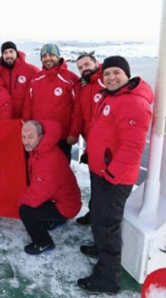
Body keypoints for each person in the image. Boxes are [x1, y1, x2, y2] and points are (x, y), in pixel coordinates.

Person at [77, 56, 153, 295]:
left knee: (107, 225)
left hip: (114, 177)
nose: (111, 78)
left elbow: (132, 148)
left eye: (116, 73)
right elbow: (102, 132)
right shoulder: (111, 96)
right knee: (99, 218)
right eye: (107, 73)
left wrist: (112, 174)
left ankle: (107, 280)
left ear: (127, 75)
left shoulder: (134, 104)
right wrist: (91, 154)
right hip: (101, 170)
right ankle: (100, 250)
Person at [19, 120, 82, 255]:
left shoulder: (47, 160)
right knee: (31, 201)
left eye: (30, 137)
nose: (26, 141)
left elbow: (39, 193)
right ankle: (56, 220)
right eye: (23, 137)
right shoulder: (42, 149)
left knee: (26, 210)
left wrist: (20, 202)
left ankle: (43, 243)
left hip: (67, 205)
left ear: (41, 137)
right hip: (62, 199)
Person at [23, 43, 79, 160]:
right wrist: (27, 127)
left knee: (61, 168)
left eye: (51, 55)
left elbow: (77, 108)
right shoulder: (36, 78)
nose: (47, 58)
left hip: (62, 136)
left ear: (58, 57)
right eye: (44, 56)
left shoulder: (70, 79)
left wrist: (74, 132)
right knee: (39, 166)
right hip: (39, 134)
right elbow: (28, 104)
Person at [68, 52, 105, 226]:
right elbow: (78, 113)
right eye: (80, 67)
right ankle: (94, 214)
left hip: (108, 144)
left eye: (86, 65)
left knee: (107, 188)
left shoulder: (106, 81)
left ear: (96, 63)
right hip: (92, 143)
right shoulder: (82, 85)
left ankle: (101, 222)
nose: (84, 69)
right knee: (95, 182)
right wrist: (74, 134)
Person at [0, 41, 39, 118]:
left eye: (11, 51)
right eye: (5, 53)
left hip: (25, 116)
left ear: (16, 53)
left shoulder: (31, 70)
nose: (8, 55)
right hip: (5, 116)